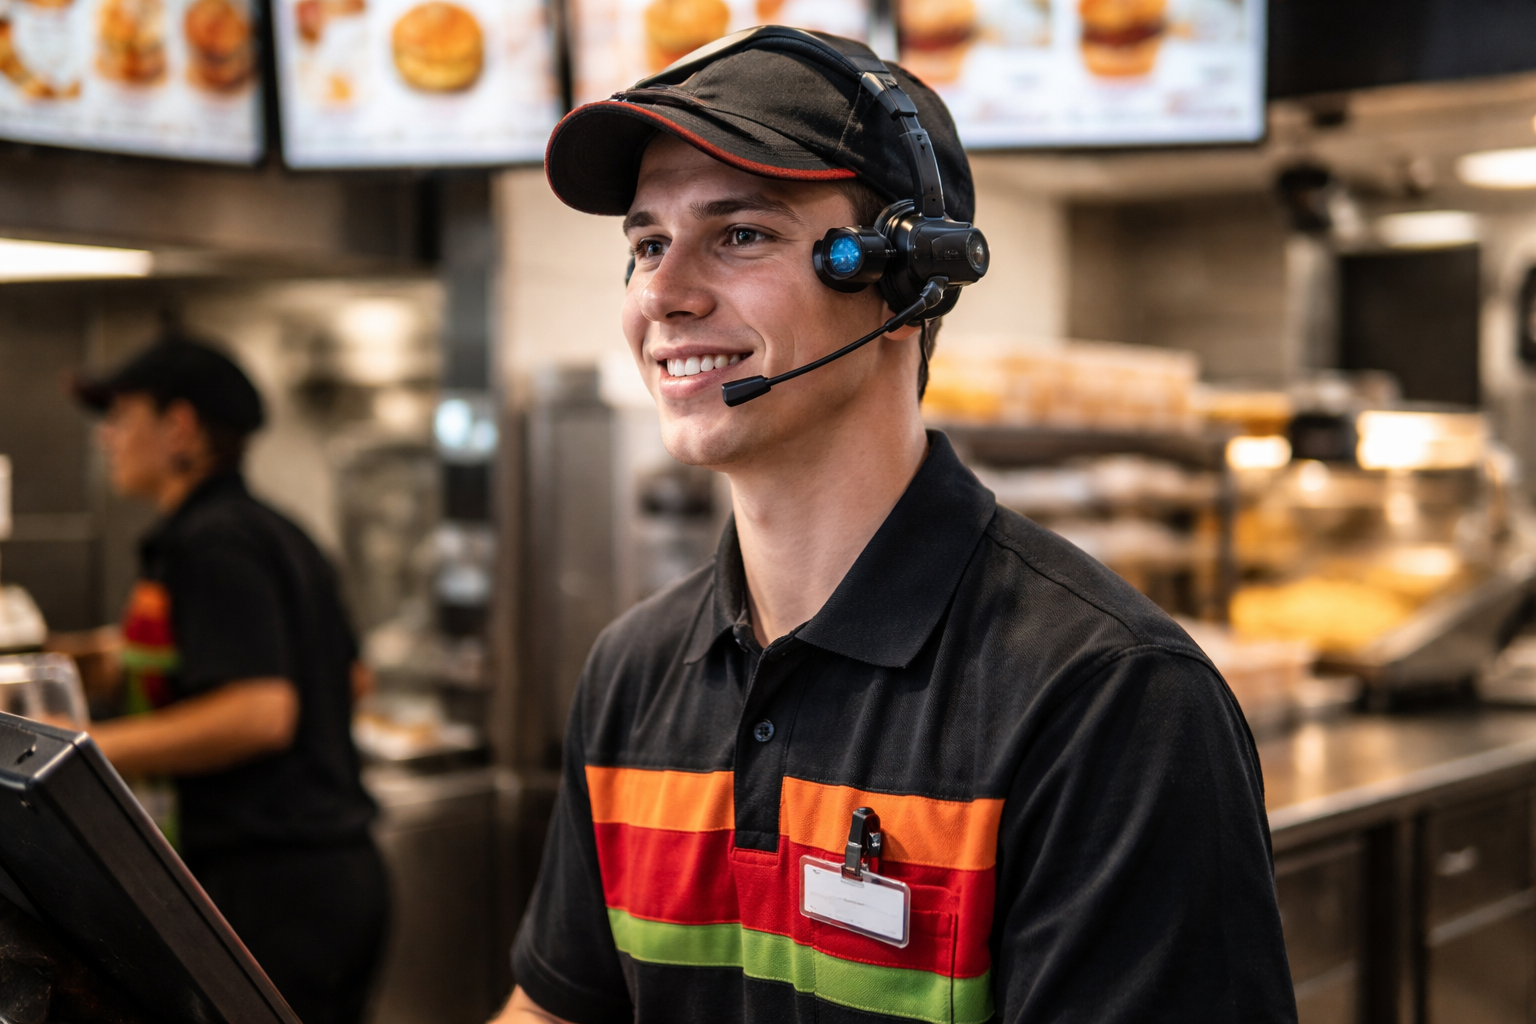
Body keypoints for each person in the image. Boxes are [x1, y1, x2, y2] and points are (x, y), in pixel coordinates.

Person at [498, 27, 1296, 1024]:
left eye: (739, 232)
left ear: (907, 280)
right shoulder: (633, 670)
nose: (662, 292)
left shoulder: (1108, 700)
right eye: (648, 243)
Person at [67, 335, 389, 1024]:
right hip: (326, 880)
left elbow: (259, 712)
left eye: (122, 417)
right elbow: (352, 677)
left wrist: (80, 746)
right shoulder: (266, 528)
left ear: (179, 426)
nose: (108, 438)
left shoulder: (213, 542)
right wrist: (91, 657)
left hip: (276, 887)